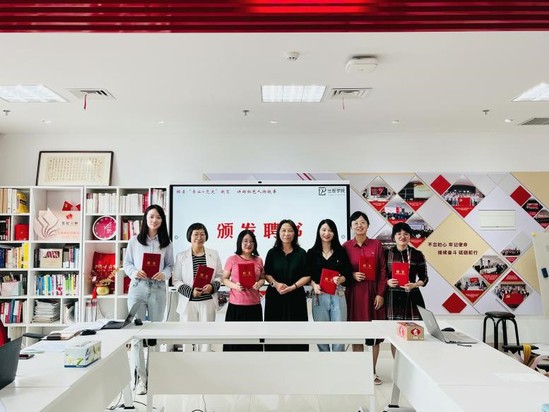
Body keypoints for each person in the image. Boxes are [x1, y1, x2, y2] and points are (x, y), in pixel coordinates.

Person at [123, 204, 174, 395]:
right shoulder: (135, 241)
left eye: (158, 217)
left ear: (162, 220)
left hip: (158, 289)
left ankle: (154, 376)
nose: (154, 220)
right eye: (151, 216)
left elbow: (170, 266)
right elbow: (127, 263)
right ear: (145, 218)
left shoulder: (166, 243)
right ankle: (140, 380)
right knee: (136, 335)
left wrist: (164, 274)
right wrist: (134, 272)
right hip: (138, 288)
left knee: (154, 335)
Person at [343, 211, 387, 385]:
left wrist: (380, 293)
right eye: (356, 223)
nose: (359, 225)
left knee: (374, 335)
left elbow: (383, 270)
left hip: (373, 293)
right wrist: (352, 274)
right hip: (354, 294)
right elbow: (343, 270)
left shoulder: (377, 245)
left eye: (362, 222)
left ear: (368, 225)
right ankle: (359, 371)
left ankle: (372, 371)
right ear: (351, 226)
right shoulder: (346, 246)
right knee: (357, 332)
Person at [173, 222, 222, 352]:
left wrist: (212, 286)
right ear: (190, 236)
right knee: (188, 336)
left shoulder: (214, 254)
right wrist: (190, 292)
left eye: (202, 234)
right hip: (188, 301)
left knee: (207, 336)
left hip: (207, 301)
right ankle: (188, 360)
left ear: (206, 236)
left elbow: (219, 276)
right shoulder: (181, 256)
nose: (199, 237)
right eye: (196, 234)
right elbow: (176, 280)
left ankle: (205, 359)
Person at [264, 219, 310, 351]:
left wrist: (293, 287)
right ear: (278, 233)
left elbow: (307, 275)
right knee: (274, 333)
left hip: (296, 297)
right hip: (275, 297)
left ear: (295, 233)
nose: (286, 233)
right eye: (283, 230)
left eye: (290, 231)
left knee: (297, 333)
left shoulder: (301, 253)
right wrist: (276, 284)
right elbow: (267, 273)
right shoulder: (272, 253)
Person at [307, 218, 351, 352]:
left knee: (339, 331)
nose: (327, 233)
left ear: (334, 233)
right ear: (319, 232)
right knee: (321, 332)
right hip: (319, 295)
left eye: (330, 230)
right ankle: (324, 358)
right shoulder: (311, 253)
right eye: (324, 230)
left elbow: (348, 273)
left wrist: (340, 279)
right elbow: (308, 276)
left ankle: (338, 360)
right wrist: (314, 285)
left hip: (338, 294)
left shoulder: (341, 251)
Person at [385, 222, 429, 355]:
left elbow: (424, 278)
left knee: (414, 334)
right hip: (393, 297)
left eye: (406, 234)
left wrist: (414, 284)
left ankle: (413, 362)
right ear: (393, 237)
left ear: (410, 236)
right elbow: (380, 276)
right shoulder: (386, 254)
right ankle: (397, 364)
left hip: (412, 297)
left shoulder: (417, 254)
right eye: (399, 234)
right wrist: (387, 282)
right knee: (395, 335)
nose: (402, 236)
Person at [222, 229, 265, 351]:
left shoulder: (258, 260)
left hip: (254, 306)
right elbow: (224, 279)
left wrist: (259, 284)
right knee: (234, 342)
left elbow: (263, 278)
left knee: (253, 342)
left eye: (251, 241)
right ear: (240, 242)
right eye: (245, 241)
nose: (248, 244)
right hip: (236, 306)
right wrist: (235, 286)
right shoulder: (232, 259)